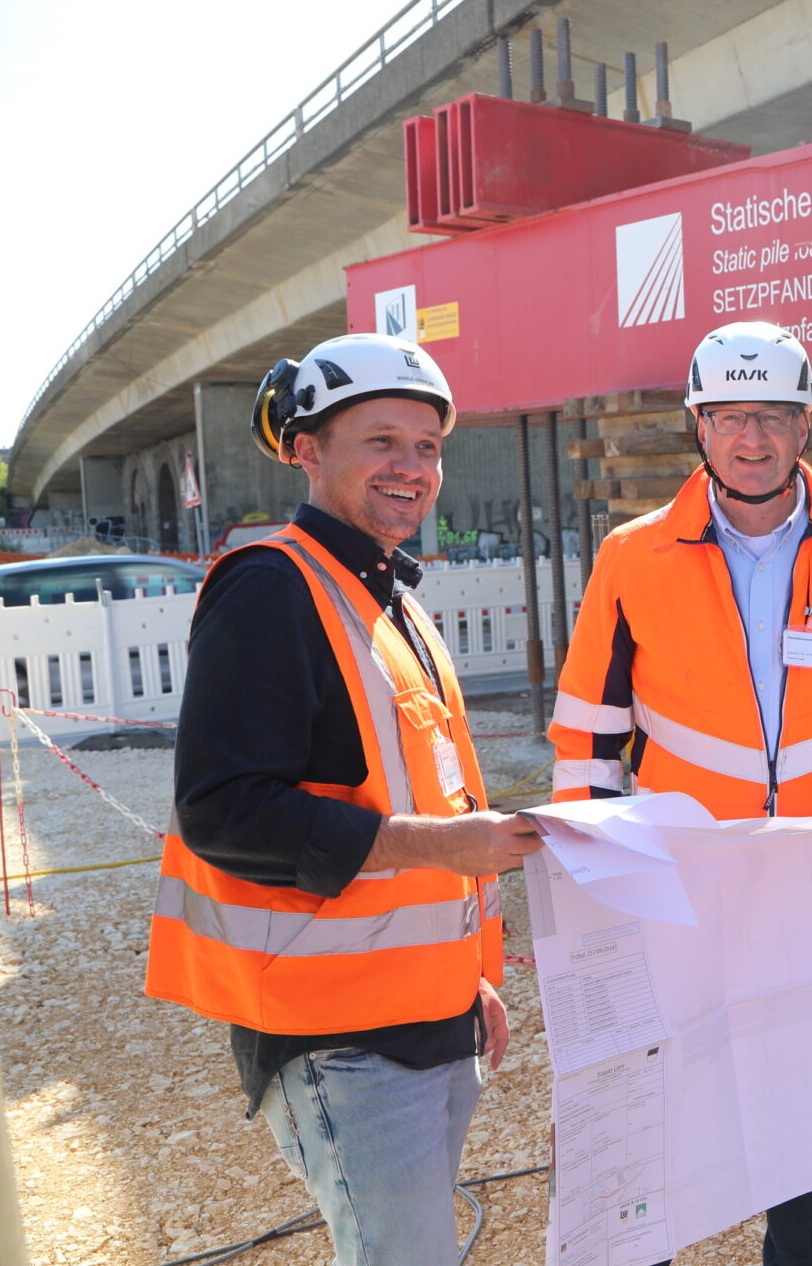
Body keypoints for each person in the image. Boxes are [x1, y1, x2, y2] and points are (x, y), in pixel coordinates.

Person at [549, 320, 812, 1266]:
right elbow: (590, 729)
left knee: (810, 1108)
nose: (752, 438)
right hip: (685, 876)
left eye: (773, 416)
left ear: (805, 424)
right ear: (698, 427)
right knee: (665, 1100)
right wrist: (590, 886)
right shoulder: (633, 558)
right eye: (731, 416)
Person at [145, 332, 542, 1266]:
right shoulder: (271, 589)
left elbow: (424, 792)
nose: (412, 467)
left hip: (429, 1020)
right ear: (307, 450)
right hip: (339, 1040)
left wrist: (468, 980)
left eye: (428, 447)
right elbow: (224, 810)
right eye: (382, 442)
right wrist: (440, 849)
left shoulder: (390, 600)